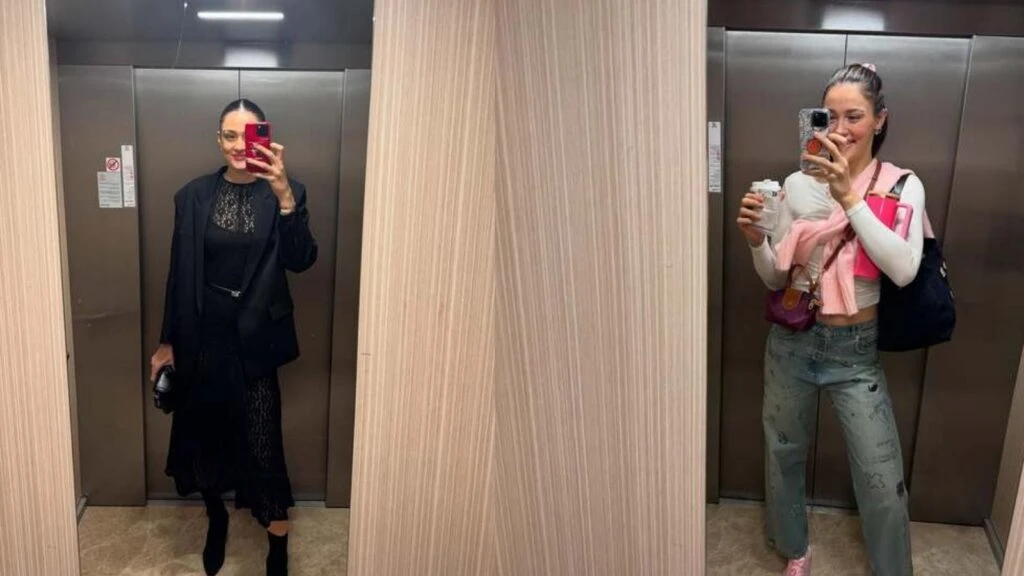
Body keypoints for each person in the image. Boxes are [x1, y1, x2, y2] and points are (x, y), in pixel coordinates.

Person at [736, 64, 925, 576]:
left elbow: (903, 270)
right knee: (783, 452)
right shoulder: (796, 185)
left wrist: (850, 198)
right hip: (792, 343)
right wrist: (757, 243)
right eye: (829, 116)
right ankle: (794, 548)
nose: (840, 128)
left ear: (880, 120)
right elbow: (776, 278)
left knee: (882, 478)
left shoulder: (901, 185)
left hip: (856, 352)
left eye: (855, 116)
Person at [150, 98, 317, 576]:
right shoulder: (192, 196)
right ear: (218, 139)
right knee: (204, 437)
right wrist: (167, 341)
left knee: (263, 447)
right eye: (229, 135)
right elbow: (178, 275)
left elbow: (301, 260)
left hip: (255, 345)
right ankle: (217, 517)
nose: (239, 145)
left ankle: (278, 547)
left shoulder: (288, 191)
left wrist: (284, 199)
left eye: (250, 135)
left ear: (266, 138)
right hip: (202, 338)